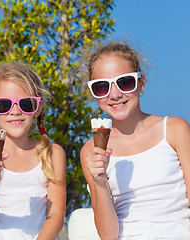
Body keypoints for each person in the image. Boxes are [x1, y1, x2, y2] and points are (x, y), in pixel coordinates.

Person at [80, 42, 190, 239]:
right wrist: (99, 182)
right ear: (94, 95)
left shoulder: (174, 130)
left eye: (125, 82)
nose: (114, 94)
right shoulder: (91, 150)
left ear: (141, 83)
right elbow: (108, 235)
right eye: (102, 86)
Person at [0, 62, 66, 239]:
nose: (15, 111)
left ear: (38, 108)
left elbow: (56, 217)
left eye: (26, 104)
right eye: (3, 105)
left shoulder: (53, 153)